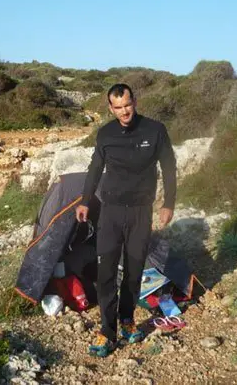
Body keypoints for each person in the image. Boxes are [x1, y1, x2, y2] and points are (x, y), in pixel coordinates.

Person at [75, 83, 176, 358]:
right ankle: (107, 331)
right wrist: (85, 201)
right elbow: (95, 168)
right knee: (106, 272)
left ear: (135, 101)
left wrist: (168, 203)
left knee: (133, 271)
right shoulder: (105, 133)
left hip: (141, 212)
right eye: (117, 107)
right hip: (111, 212)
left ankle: (128, 321)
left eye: (127, 105)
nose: (124, 112)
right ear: (110, 107)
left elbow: (169, 166)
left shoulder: (155, 130)